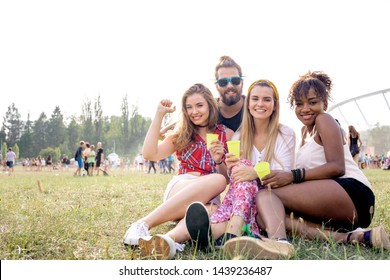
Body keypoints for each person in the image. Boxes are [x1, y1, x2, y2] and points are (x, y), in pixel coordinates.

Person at [224, 71, 389, 259]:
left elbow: (337, 167)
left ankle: (279, 242)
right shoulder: (303, 133)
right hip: (333, 202)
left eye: (312, 102)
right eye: (299, 104)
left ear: (324, 104)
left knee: (265, 195)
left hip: (353, 193)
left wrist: (292, 175)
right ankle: (353, 237)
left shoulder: (324, 120)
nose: (305, 109)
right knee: (265, 216)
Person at [184, 79, 296, 256]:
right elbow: (233, 178)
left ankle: (228, 231)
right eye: (255, 99)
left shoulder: (286, 133)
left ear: (275, 105)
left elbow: (285, 172)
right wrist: (224, 163)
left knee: (244, 168)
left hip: (272, 195)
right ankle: (221, 234)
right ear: (248, 104)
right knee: (239, 168)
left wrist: (254, 172)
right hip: (245, 201)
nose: (260, 104)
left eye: (267, 99)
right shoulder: (238, 136)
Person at [123, 83, 234, 259]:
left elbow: (228, 178)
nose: (194, 111)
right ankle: (142, 224)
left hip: (207, 200)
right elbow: (150, 154)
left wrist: (219, 160)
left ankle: (168, 241)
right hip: (181, 188)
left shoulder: (225, 134)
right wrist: (159, 115)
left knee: (219, 217)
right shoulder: (182, 133)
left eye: (199, 105)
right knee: (217, 180)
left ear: (210, 106)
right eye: (189, 107)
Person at [160, 56, 245, 135]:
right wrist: (161, 114)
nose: (230, 86)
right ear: (216, 85)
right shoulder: (208, 107)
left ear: (242, 82)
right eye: (223, 82)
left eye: (235, 80)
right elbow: (167, 132)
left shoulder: (252, 107)